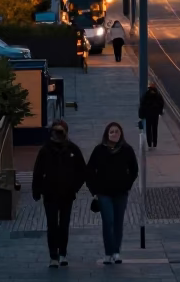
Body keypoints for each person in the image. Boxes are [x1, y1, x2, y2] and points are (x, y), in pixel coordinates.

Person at [32, 118, 86, 267]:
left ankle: (63, 253)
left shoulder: (72, 149)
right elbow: (38, 171)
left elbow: (82, 171)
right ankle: (53, 255)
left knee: (64, 225)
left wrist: (74, 187)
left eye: (61, 131)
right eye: (56, 131)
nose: (58, 134)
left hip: (67, 194)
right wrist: (37, 190)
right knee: (52, 225)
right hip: (49, 194)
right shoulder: (45, 150)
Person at [86, 121, 138, 264]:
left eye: (117, 131)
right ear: (107, 134)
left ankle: (116, 252)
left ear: (121, 134)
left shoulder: (127, 150)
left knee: (118, 222)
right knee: (108, 221)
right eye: (112, 132)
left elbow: (134, 170)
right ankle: (108, 253)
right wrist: (94, 190)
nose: (114, 134)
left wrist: (127, 184)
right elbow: (89, 171)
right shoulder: (99, 150)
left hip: (121, 193)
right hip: (103, 193)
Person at [138, 82, 165, 148]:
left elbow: (142, 104)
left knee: (148, 128)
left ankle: (149, 143)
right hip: (155, 114)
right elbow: (162, 103)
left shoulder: (146, 95)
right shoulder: (158, 94)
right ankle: (155, 142)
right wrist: (160, 111)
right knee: (155, 128)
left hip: (148, 114)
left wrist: (142, 114)